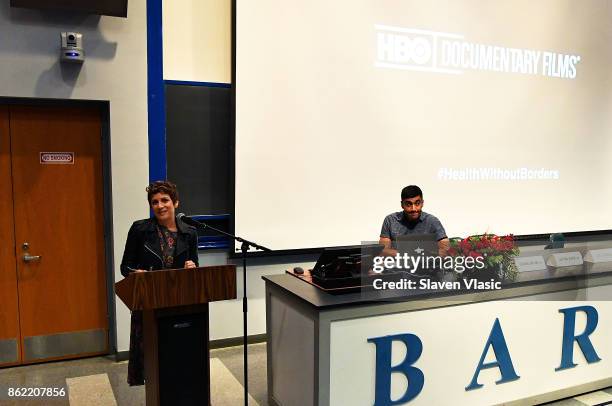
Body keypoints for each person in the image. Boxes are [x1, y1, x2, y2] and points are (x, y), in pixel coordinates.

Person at [120, 180, 199, 386]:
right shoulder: (140, 230)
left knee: (175, 361)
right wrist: (136, 273)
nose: (160, 205)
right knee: (153, 361)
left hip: (179, 302)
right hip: (149, 302)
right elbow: (124, 267)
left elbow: (195, 266)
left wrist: (192, 268)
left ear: (176, 203)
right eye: (154, 202)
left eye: (165, 200)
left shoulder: (189, 233)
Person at [379, 185, 449, 257]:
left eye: (417, 203)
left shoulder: (432, 221)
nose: (413, 209)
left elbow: (445, 250)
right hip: (397, 266)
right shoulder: (390, 220)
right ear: (402, 205)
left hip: (426, 266)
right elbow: (383, 251)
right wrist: (411, 255)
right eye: (408, 204)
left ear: (422, 203)